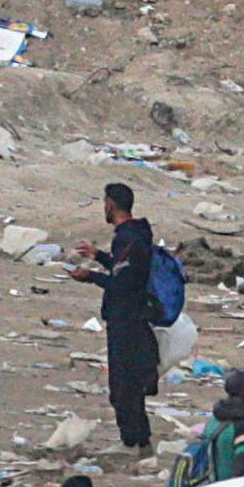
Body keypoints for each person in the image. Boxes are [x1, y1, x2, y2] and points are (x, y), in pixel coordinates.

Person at [91, 181, 166, 453]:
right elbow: (124, 270)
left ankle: (134, 440)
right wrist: (98, 256)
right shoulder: (137, 235)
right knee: (130, 383)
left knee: (123, 386)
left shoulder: (128, 237)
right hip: (134, 317)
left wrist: (89, 277)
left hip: (126, 319)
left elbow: (122, 283)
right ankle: (139, 438)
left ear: (111, 204)